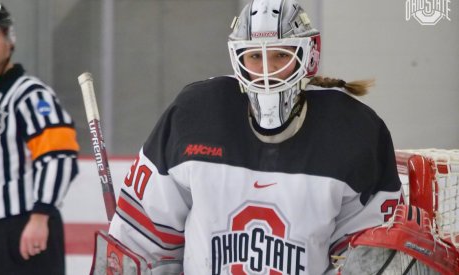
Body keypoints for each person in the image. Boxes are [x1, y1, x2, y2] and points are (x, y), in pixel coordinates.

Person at [108, 0, 402, 274]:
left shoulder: (352, 132)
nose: (267, 71)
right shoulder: (195, 115)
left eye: (280, 55)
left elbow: (366, 259)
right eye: (254, 57)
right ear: (237, 58)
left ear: (308, 56)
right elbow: (144, 239)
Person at [0, 1, 79, 274]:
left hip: (24, 233)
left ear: (10, 40)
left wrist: (40, 216)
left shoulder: (30, 94)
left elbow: (58, 156)